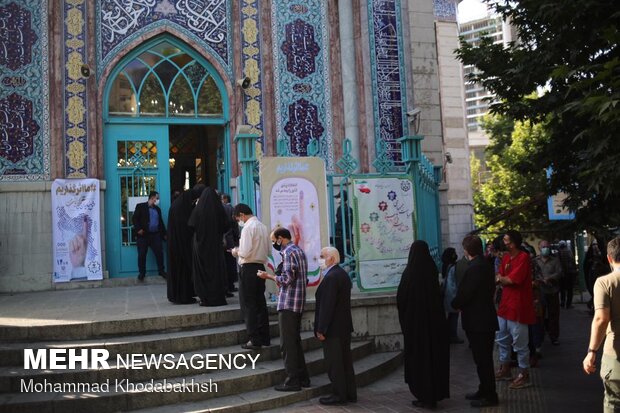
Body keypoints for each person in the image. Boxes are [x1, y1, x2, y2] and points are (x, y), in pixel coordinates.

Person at [397, 240, 449, 409]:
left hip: (416, 328)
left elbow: (401, 299)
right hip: (435, 327)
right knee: (434, 359)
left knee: (419, 360)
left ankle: (423, 395)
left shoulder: (409, 273)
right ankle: (434, 394)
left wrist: (406, 322)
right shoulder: (432, 269)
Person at [257, 227, 310, 392]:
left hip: (288, 303)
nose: (274, 243)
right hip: (297, 303)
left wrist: (269, 276)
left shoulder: (288, 253)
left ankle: (292, 381)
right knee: (294, 342)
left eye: (274, 240)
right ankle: (303, 378)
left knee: (287, 345)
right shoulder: (299, 251)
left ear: (281, 238)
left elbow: (287, 278)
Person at [452, 235, 499, 408]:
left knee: (483, 360)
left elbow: (466, 293)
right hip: (483, 318)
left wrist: (455, 303)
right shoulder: (484, 264)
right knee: (482, 359)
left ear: (466, 250)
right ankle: (484, 389)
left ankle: (490, 395)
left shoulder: (475, 268)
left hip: (479, 321)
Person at [314, 246, 357, 405]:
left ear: (331, 258)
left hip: (333, 329)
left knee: (335, 363)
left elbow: (327, 306)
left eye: (322, 256)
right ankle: (350, 393)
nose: (320, 259)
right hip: (343, 327)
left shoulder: (332, 277)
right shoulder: (342, 274)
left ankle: (339, 395)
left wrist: (321, 328)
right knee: (345, 362)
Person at [495, 230, 536, 389]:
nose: (504, 243)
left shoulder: (523, 258)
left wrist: (502, 279)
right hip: (505, 305)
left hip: (518, 306)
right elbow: (500, 277)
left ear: (513, 242)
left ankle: (523, 374)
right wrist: (502, 279)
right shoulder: (506, 257)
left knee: (520, 343)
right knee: (501, 338)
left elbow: (511, 279)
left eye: (506, 240)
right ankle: (505, 369)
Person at [583, 237, 620, 412]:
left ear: (609, 258)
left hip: (616, 356)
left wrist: (591, 352)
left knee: (614, 403)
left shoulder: (605, 282)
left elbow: (601, 319)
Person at [232, 203, 271, 349]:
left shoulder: (248, 227)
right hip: (260, 267)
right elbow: (268, 249)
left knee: (248, 304)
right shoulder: (262, 226)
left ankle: (254, 339)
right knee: (260, 302)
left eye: (238, 219)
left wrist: (236, 251)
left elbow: (245, 251)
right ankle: (265, 337)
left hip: (248, 267)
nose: (239, 222)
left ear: (242, 215)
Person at [187, 187, 229, 307]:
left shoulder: (198, 210)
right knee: (216, 271)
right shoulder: (219, 209)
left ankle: (205, 298)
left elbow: (191, 224)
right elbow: (226, 225)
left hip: (200, 246)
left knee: (202, 272)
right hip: (215, 247)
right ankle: (218, 297)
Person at [166, 185, 203, 304]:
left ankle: (184, 294)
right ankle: (183, 296)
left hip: (176, 245)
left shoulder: (179, 205)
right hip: (180, 246)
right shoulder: (182, 208)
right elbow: (185, 228)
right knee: (182, 272)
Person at [132, 191, 166, 281]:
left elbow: (161, 223)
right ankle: (142, 273)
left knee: (159, 253)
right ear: (152, 197)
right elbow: (135, 218)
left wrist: (165, 235)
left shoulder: (157, 209)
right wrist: (138, 229)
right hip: (143, 235)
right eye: (157, 198)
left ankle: (161, 271)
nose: (157, 199)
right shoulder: (140, 206)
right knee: (142, 254)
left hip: (155, 235)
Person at [534, 240, 562, 345]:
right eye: (543, 247)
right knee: (540, 316)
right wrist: (541, 280)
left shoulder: (555, 260)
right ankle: (540, 338)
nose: (545, 248)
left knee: (553, 315)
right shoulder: (535, 261)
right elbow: (533, 274)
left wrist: (550, 278)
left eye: (547, 246)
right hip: (540, 292)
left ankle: (554, 337)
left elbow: (559, 272)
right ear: (539, 248)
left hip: (553, 291)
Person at [441, 248, 463, 344]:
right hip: (452, 295)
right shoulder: (452, 267)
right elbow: (452, 284)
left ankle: (448, 335)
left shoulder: (445, 265)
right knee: (454, 316)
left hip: (447, 295)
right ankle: (453, 336)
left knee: (450, 316)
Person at [221, 193, 240, 297]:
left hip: (221, 241)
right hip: (230, 240)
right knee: (230, 263)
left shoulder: (218, 209)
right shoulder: (230, 209)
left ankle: (226, 286)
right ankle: (231, 285)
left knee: (224, 265)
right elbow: (234, 226)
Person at [558, 240, 578, 308]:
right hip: (569, 273)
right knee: (570, 290)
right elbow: (572, 261)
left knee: (562, 289)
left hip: (562, 274)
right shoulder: (569, 251)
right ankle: (568, 304)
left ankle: (562, 302)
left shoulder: (558, 253)